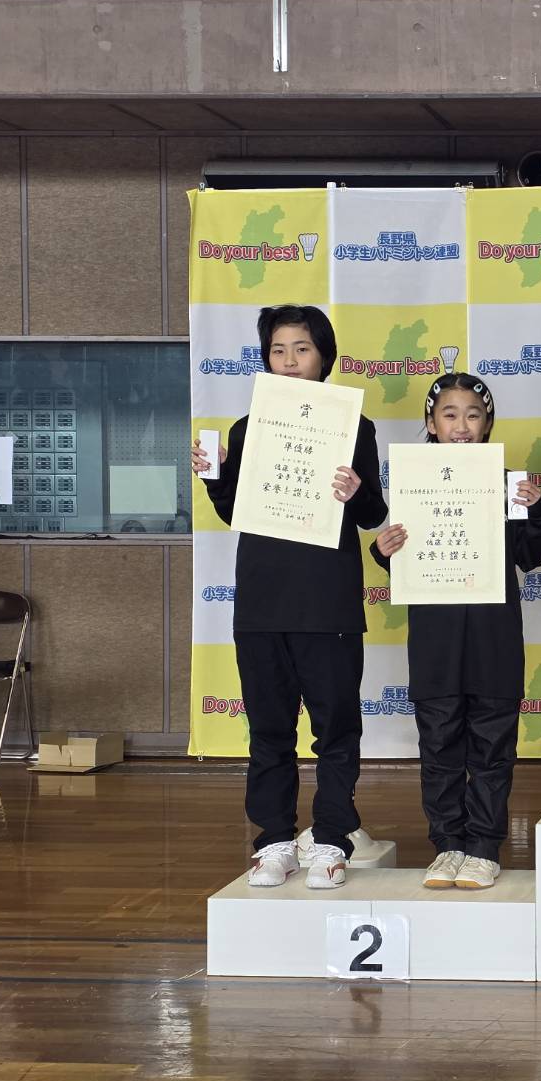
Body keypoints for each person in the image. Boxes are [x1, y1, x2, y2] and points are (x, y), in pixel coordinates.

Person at [191, 304, 386, 890]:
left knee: (336, 730)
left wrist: (355, 492)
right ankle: (274, 841)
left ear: (324, 356)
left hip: (327, 601)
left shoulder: (355, 427)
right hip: (262, 600)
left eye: (301, 348)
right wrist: (214, 475)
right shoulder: (247, 429)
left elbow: (373, 514)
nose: (290, 360)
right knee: (268, 731)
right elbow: (235, 511)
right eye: (278, 350)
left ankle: (331, 840)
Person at [371, 374, 541, 889]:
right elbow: (404, 558)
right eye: (449, 414)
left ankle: (483, 848)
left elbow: (529, 557)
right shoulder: (415, 481)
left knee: (492, 747)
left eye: (473, 415)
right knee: (440, 746)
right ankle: (448, 844)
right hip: (436, 639)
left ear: (487, 423)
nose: (462, 426)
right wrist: (382, 550)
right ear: (431, 423)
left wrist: (536, 509)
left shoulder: (508, 483)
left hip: (494, 636)